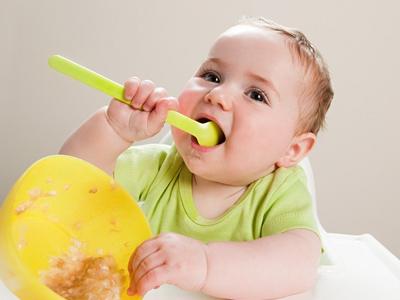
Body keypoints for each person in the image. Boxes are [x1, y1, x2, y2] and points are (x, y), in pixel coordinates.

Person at [60, 16, 334, 299]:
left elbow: (299, 265)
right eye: (212, 77)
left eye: (256, 95)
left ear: (293, 150)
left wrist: (205, 264)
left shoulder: (280, 191)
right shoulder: (161, 167)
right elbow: (70, 184)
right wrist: (113, 129)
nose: (218, 94)